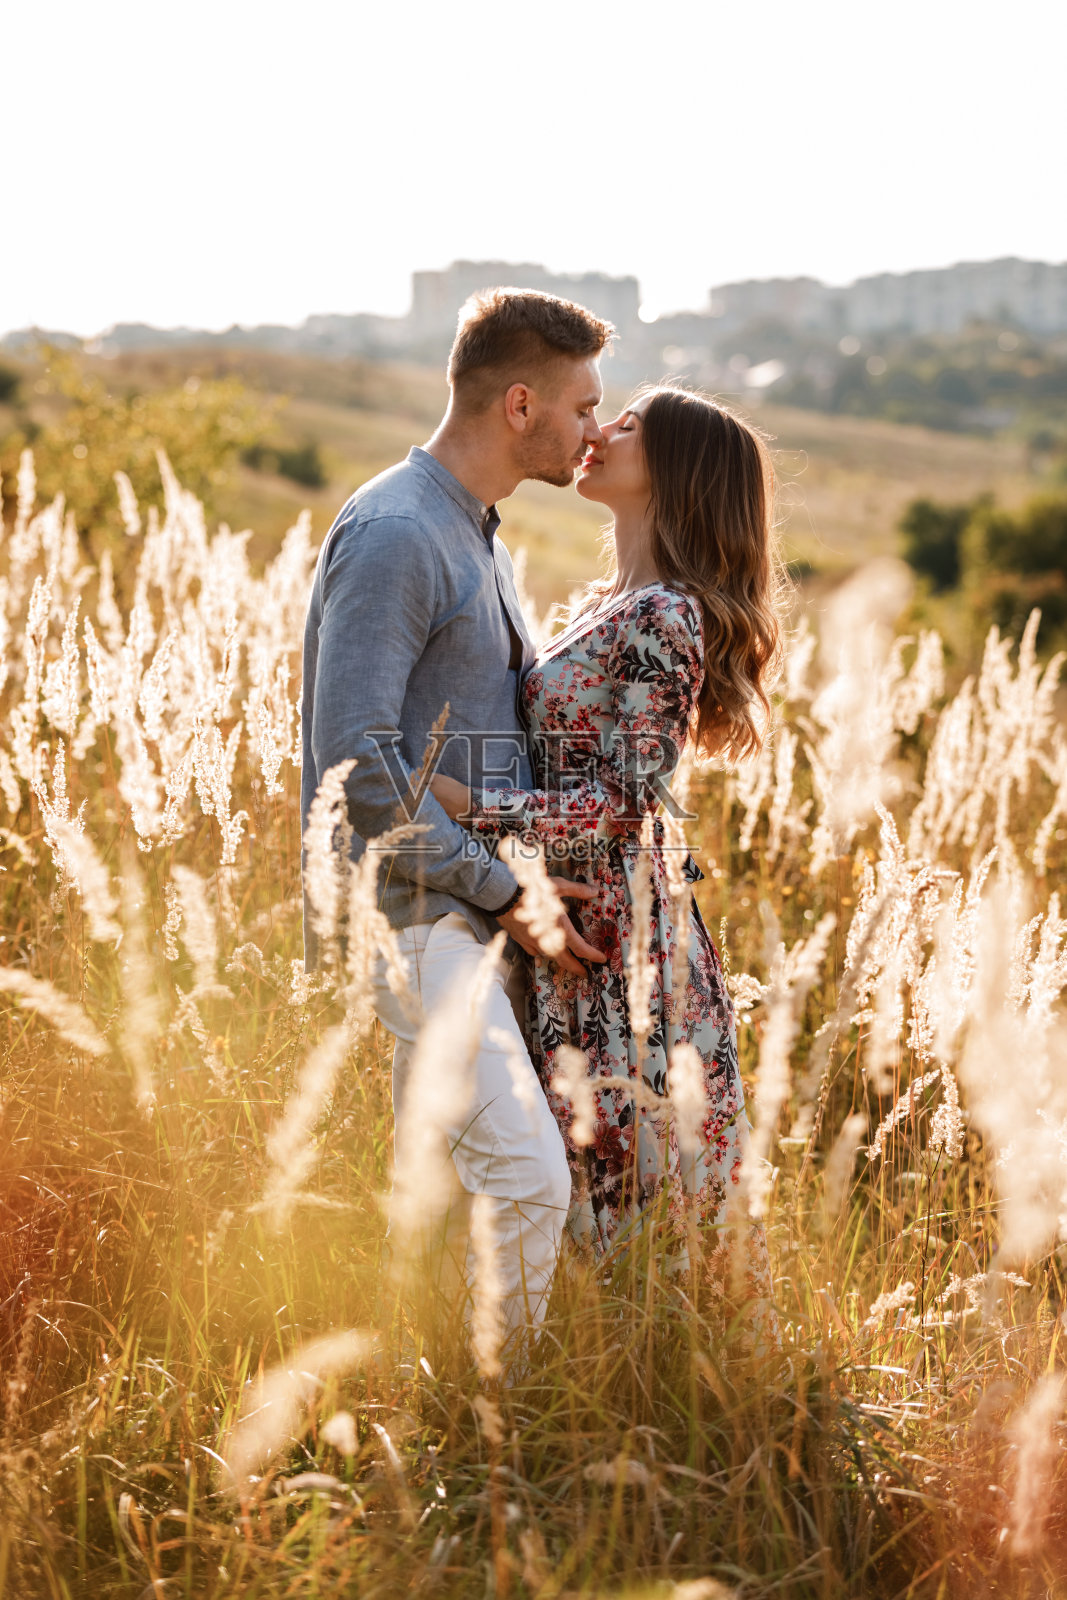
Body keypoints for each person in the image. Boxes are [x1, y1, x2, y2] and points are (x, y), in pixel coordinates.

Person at [300, 288, 614, 1347]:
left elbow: (438, 744)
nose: (590, 431)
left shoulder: (474, 534)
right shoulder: (398, 531)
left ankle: (431, 1446)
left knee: (436, 1208)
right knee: (528, 1180)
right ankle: (496, 1440)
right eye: (580, 408)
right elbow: (354, 754)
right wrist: (502, 889)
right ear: (518, 403)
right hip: (411, 916)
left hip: (459, 918)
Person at [429, 386, 782, 1322]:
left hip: (629, 937)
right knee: (574, 1160)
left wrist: (467, 806)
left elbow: (627, 804)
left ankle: (662, 1395)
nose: (597, 432)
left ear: (676, 470)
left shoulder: (667, 615)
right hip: (581, 914)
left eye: (626, 427)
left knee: (628, 1171)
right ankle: (585, 1378)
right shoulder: (607, 602)